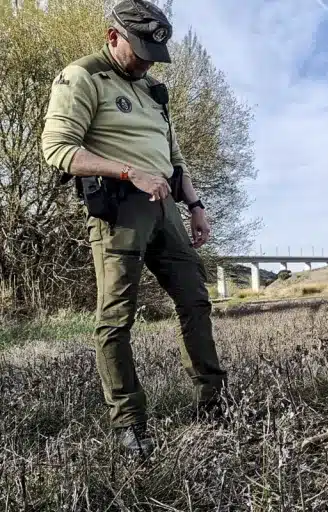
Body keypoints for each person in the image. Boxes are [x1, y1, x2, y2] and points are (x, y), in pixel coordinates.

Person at [41, 0, 227, 455]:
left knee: (195, 300)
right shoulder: (82, 76)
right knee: (116, 319)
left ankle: (214, 402)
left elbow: (174, 159)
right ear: (112, 37)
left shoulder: (154, 91)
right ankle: (129, 424)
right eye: (140, 49)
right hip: (119, 210)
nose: (146, 61)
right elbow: (57, 148)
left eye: (153, 53)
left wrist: (196, 205)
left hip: (167, 209)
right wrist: (128, 171)